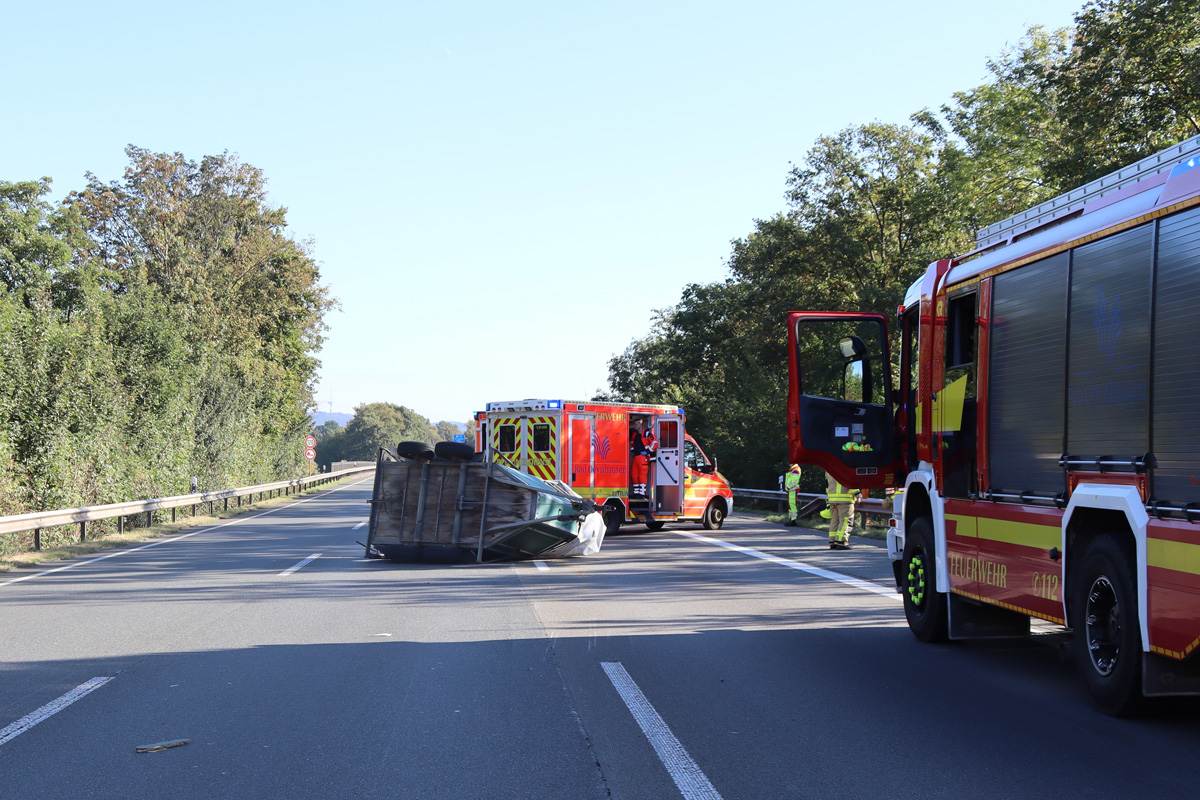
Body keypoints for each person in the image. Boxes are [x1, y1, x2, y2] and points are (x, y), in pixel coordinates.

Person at [825, 472, 859, 549]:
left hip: (832, 499)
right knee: (845, 521)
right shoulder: (844, 467)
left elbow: (827, 484)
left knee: (834, 521)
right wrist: (858, 494)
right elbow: (850, 482)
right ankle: (841, 542)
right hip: (845, 499)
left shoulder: (828, 468)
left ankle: (832, 542)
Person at [629, 418, 658, 498]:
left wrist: (648, 451)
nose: (634, 426)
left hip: (643, 457)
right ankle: (636, 493)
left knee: (642, 475)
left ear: (640, 424)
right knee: (634, 475)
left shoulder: (647, 434)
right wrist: (633, 451)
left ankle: (642, 494)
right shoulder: (635, 435)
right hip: (636, 457)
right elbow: (633, 444)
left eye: (636, 424)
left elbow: (655, 443)